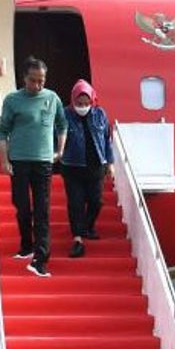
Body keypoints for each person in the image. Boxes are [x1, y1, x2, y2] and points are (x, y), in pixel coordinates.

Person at [0, 56, 66, 277]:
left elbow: (62, 125)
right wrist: (4, 160)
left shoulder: (52, 98)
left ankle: (40, 258)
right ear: (24, 78)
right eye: (33, 80)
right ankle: (26, 244)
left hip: (43, 161)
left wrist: (60, 150)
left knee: (42, 210)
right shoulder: (13, 100)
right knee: (22, 206)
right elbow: (3, 131)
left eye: (41, 80)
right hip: (19, 160)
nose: (37, 85)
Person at [60, 78, 115, 258]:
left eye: (86, 103)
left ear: (92, 101)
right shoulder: (65, 115)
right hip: (72, 167)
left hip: (96, 166)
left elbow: (107, 140)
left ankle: (88, 227)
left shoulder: (100, 114)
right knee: (75, 203)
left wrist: (110, 163)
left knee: (96, 201)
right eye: (79, 103)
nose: (83, 106)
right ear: (73, 101)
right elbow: (56, 136)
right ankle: (78, 240)